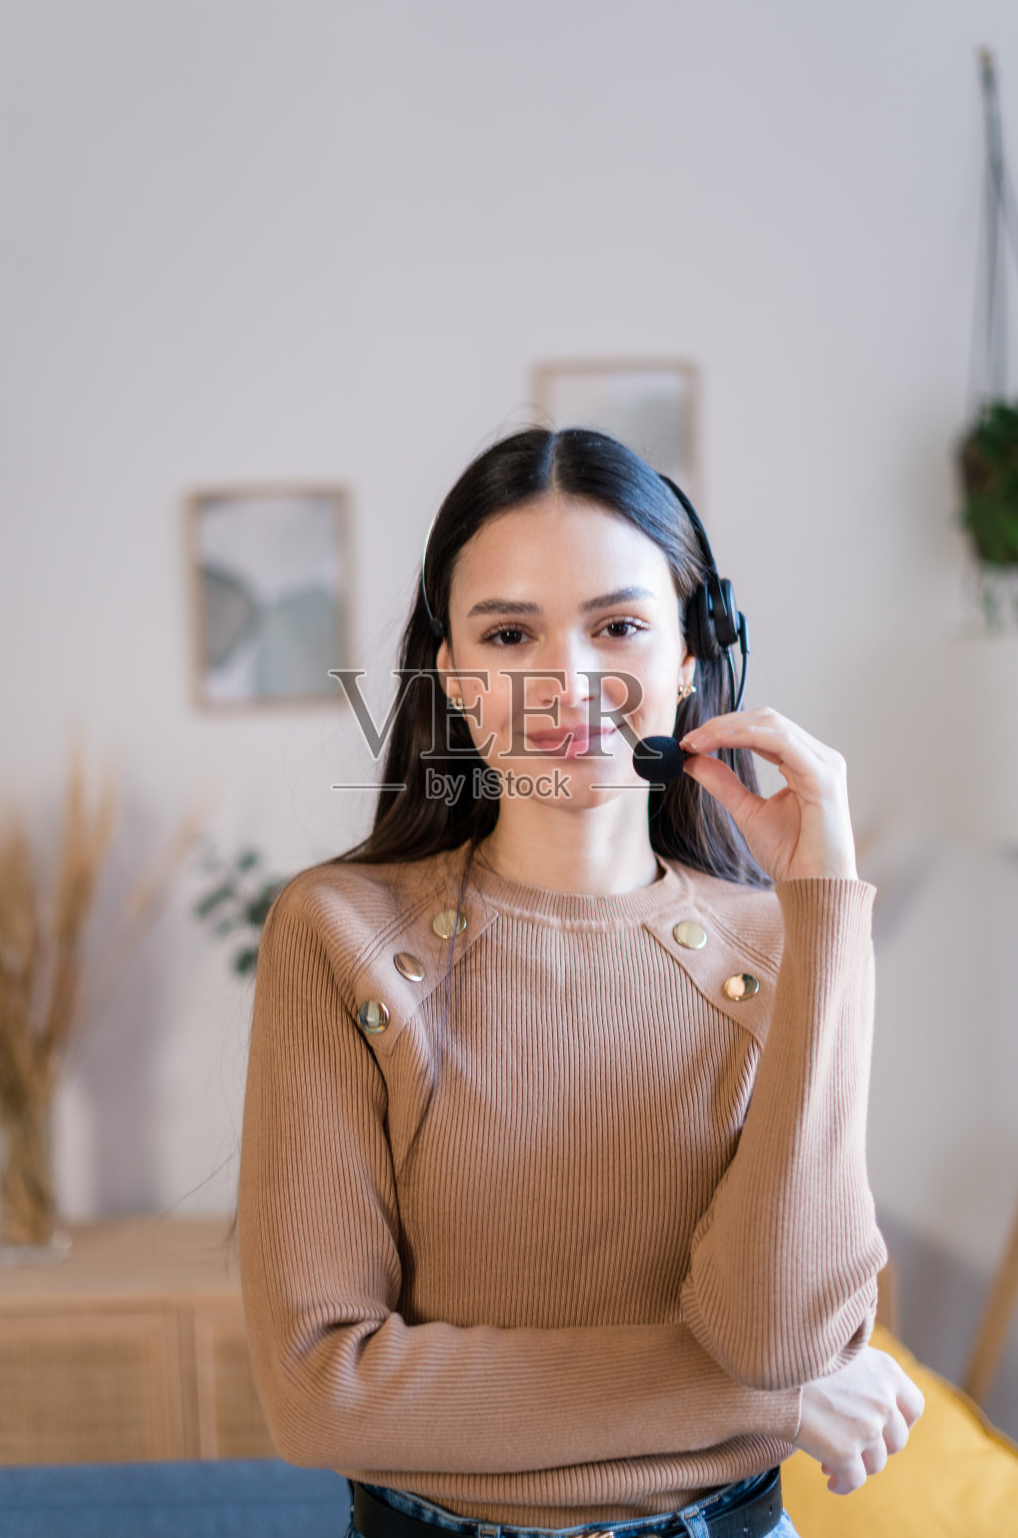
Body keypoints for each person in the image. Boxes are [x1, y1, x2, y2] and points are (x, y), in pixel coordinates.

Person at [237, 427, 924, 1538]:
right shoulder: (339, 935)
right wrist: (766, 1405)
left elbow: (780, 1336)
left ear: (693, 656)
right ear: (453, 676)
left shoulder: (783, 941)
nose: (567, 682)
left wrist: (823, 917)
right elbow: (323, 1392)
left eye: (618, 626)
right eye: (509, 634)